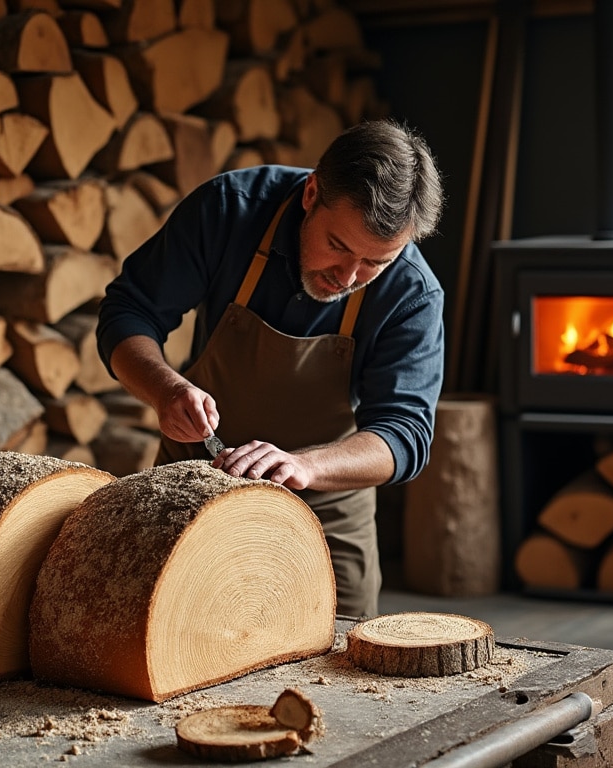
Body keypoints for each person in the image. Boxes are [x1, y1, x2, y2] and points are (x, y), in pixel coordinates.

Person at [96, 119, 446, 618]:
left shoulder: (412, 293)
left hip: (325, 505)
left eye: (375, 262)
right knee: (166, 629)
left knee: (337, 664)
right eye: (339, 246)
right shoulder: (228, 211)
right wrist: (164, 389)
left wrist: (305, 465)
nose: (347, 277)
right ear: (311, 194)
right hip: (197, 476)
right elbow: (128, 313)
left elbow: (405, 435)